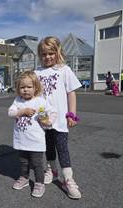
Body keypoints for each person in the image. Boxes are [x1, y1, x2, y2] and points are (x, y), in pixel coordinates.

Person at [35, 36, 82, 199]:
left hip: (61, 120)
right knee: (47, 148)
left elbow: (71, 93)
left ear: (58, 52)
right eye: (44, 54)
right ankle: (52, 170)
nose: (47, 57)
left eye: (51, 53)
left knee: (62, 148)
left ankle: (68, 179)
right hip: (43, 120)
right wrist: (40, 117)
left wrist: (72, 114)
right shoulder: (37, 73)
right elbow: (35, 98)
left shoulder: (64, 70)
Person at [8, 71, 57, 198]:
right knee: (23, 162)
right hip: (21, 140)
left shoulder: (40, 101)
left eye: (29, 87)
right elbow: (10, 113)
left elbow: (53, 112)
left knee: (37, 164)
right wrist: (22, 111)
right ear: (18, 89)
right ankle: (24, 178)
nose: (25, 90)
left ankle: (40, 183)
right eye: (22, 87)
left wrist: (48, 121)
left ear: (35, 87)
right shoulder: (18, 101)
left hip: (36, 141)